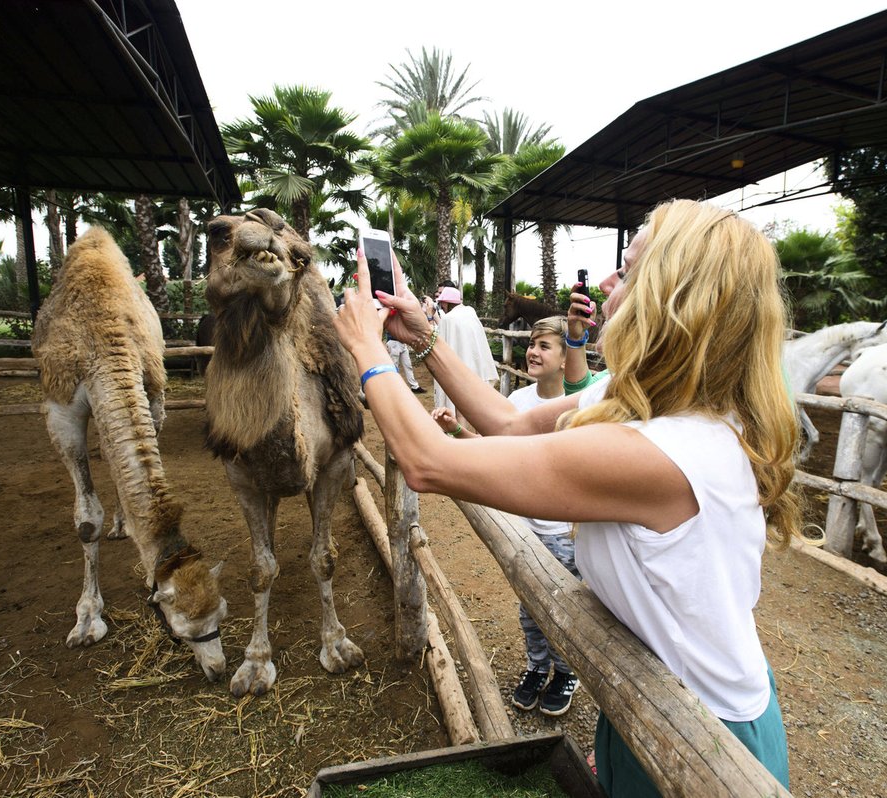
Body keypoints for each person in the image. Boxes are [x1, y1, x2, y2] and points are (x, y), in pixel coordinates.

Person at [333, 199, 798, 795]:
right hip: (656, 700)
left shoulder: (664, 452)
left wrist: (368, 351)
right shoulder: (647, 398)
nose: (605, 281)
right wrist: (422, 336)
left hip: (707, 736)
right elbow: (506, 421)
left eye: (627, 270)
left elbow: (430, 462)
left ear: (673, 294)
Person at [430, 316, 582, 716]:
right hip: (525, 529)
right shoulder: (516, 402)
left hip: (565, 532)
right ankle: (537, 667)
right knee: (530, 605)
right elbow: (490, 447)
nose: (533, 351)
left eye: (544, 345)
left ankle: (567, 671)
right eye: (532, 343)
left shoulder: (579, 406)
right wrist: (455, 432)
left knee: (566, 607)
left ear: (568, 358)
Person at [431, 286, 497, 430]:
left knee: (460, 408)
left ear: (447, 303)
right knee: (476, 408)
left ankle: (463, 440)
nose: (442, 305)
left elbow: (441, 343)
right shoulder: (470, 313)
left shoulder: (449, 319)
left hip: (458, 372)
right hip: (476, 369)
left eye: (443, 302)